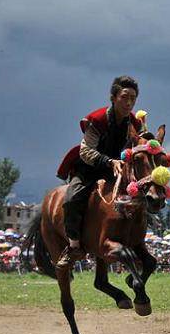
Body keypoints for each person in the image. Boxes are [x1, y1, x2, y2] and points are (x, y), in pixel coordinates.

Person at [55, 76, 145, 269]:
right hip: (89, 169)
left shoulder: (135, 124)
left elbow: (139, 147)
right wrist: (109, 161)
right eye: (124, 97)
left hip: (119, 172)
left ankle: (137, 242)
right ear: (113, 98)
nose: (129, 102)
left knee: (144, 196)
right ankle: (73, 246)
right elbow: (85, 150)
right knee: (71, 199)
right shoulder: (98, 119)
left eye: (133, 98)